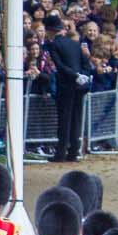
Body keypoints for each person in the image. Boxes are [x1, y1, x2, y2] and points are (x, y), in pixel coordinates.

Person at [44, 16, 90, 162]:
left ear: (50, 30)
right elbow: (85, 62)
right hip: (79, 84)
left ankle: (61, 152)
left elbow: (60, 66)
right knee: (76, 118)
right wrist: (83, 75)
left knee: (65, 119)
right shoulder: (74, 43)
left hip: (66, 84)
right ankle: (73, 151)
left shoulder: (54, 45)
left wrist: (75, 75)